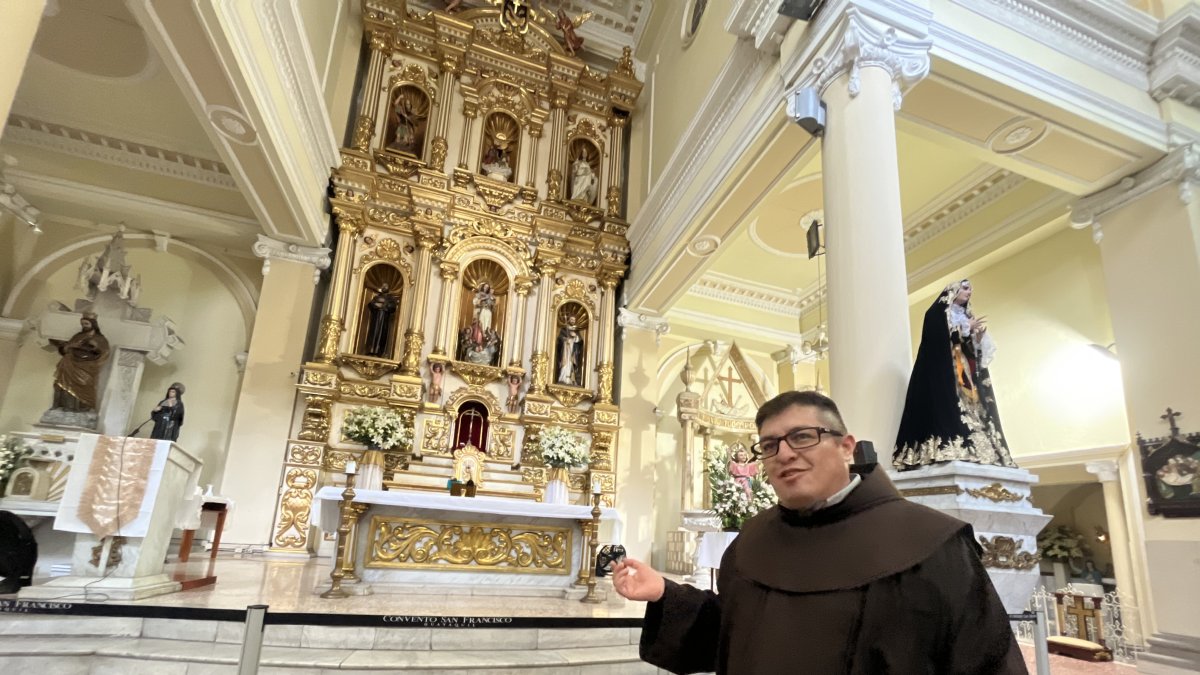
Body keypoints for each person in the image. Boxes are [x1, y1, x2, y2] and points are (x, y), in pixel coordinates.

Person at [613, 390, 1025, 674]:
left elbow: (983, 661)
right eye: (769, 445)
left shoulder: (929, 543)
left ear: (846, 446)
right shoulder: (751, 542)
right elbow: (735, 632)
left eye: (803, 437)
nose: (785, 453)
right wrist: (665, 594)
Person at [894, 279, 1017, 470]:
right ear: (953, 291)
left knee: (974, 408)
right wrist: (964, 328)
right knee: (949, 408)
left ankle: (979, 449)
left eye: (971, 289)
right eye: (966, 288)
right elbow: (937, 340)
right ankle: (950, 447)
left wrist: (976, 339)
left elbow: (968, 349)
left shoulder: (966, 316)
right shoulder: (937, 313)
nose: (970, 292)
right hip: (944, 373)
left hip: (964, 373)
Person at [50, 313, 111, 412]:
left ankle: (80, 408)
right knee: (61, 384)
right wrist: (66, 346)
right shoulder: (77, 336)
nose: (84, 326)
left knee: (83, 385)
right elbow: (66, 349)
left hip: (86, 367)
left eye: (86, 324)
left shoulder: (100, 339)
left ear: (93, 324)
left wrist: (91, 348)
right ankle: (63, 407)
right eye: (82, 323)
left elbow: (104, 352)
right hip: (68, 364)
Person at [363, 284, 399, 357]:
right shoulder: (376, 297)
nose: (384, 287)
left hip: (384, 320)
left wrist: (383, 306)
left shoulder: (390, 298)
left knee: (382, 335)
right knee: (373, 334)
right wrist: (376, 305)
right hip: (375, 320)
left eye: (386, 286)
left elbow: (393, 307)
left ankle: (379, 352)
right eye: (383, 286)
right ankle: (370, 350)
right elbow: (370, 304)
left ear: (388, 288)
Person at [556, 320, 583, 386]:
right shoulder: (564, 329)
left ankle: (571, 380)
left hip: (572, 351)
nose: (573, 321)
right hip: (565, 350)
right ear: (569, 320)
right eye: (571, 319)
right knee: (565, 363)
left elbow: (580, 342)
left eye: (574, 320)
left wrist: (575, 336)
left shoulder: (576, 331)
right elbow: (560, 338)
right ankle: (562, 378)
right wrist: (565, 340)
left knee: (571, 363)